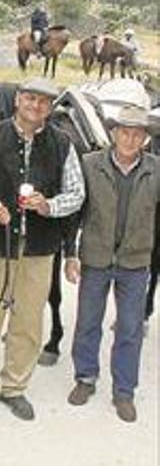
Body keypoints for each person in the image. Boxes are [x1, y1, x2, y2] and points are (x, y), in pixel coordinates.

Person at [0, 78, 85, 421]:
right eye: (30, 98)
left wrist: (49, 207)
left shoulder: (62, 144)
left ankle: (14, 387)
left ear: (50, 108)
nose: (36, 106)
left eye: (44, 102)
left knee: (28, 321)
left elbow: (76, 193)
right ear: (18, 100)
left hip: (38, 248)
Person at [66, 105, 160, 423]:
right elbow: (75, 211)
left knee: (130, 328)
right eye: (124, 132)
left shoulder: (156, 170)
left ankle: (124, 391)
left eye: (137, 134)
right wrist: (71, 252)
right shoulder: (90, 164)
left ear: (145, 139)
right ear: (113, 133)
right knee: (88, 321)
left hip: (135, 262)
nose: (130, 139)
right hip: (96, 257)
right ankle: (85, 378)